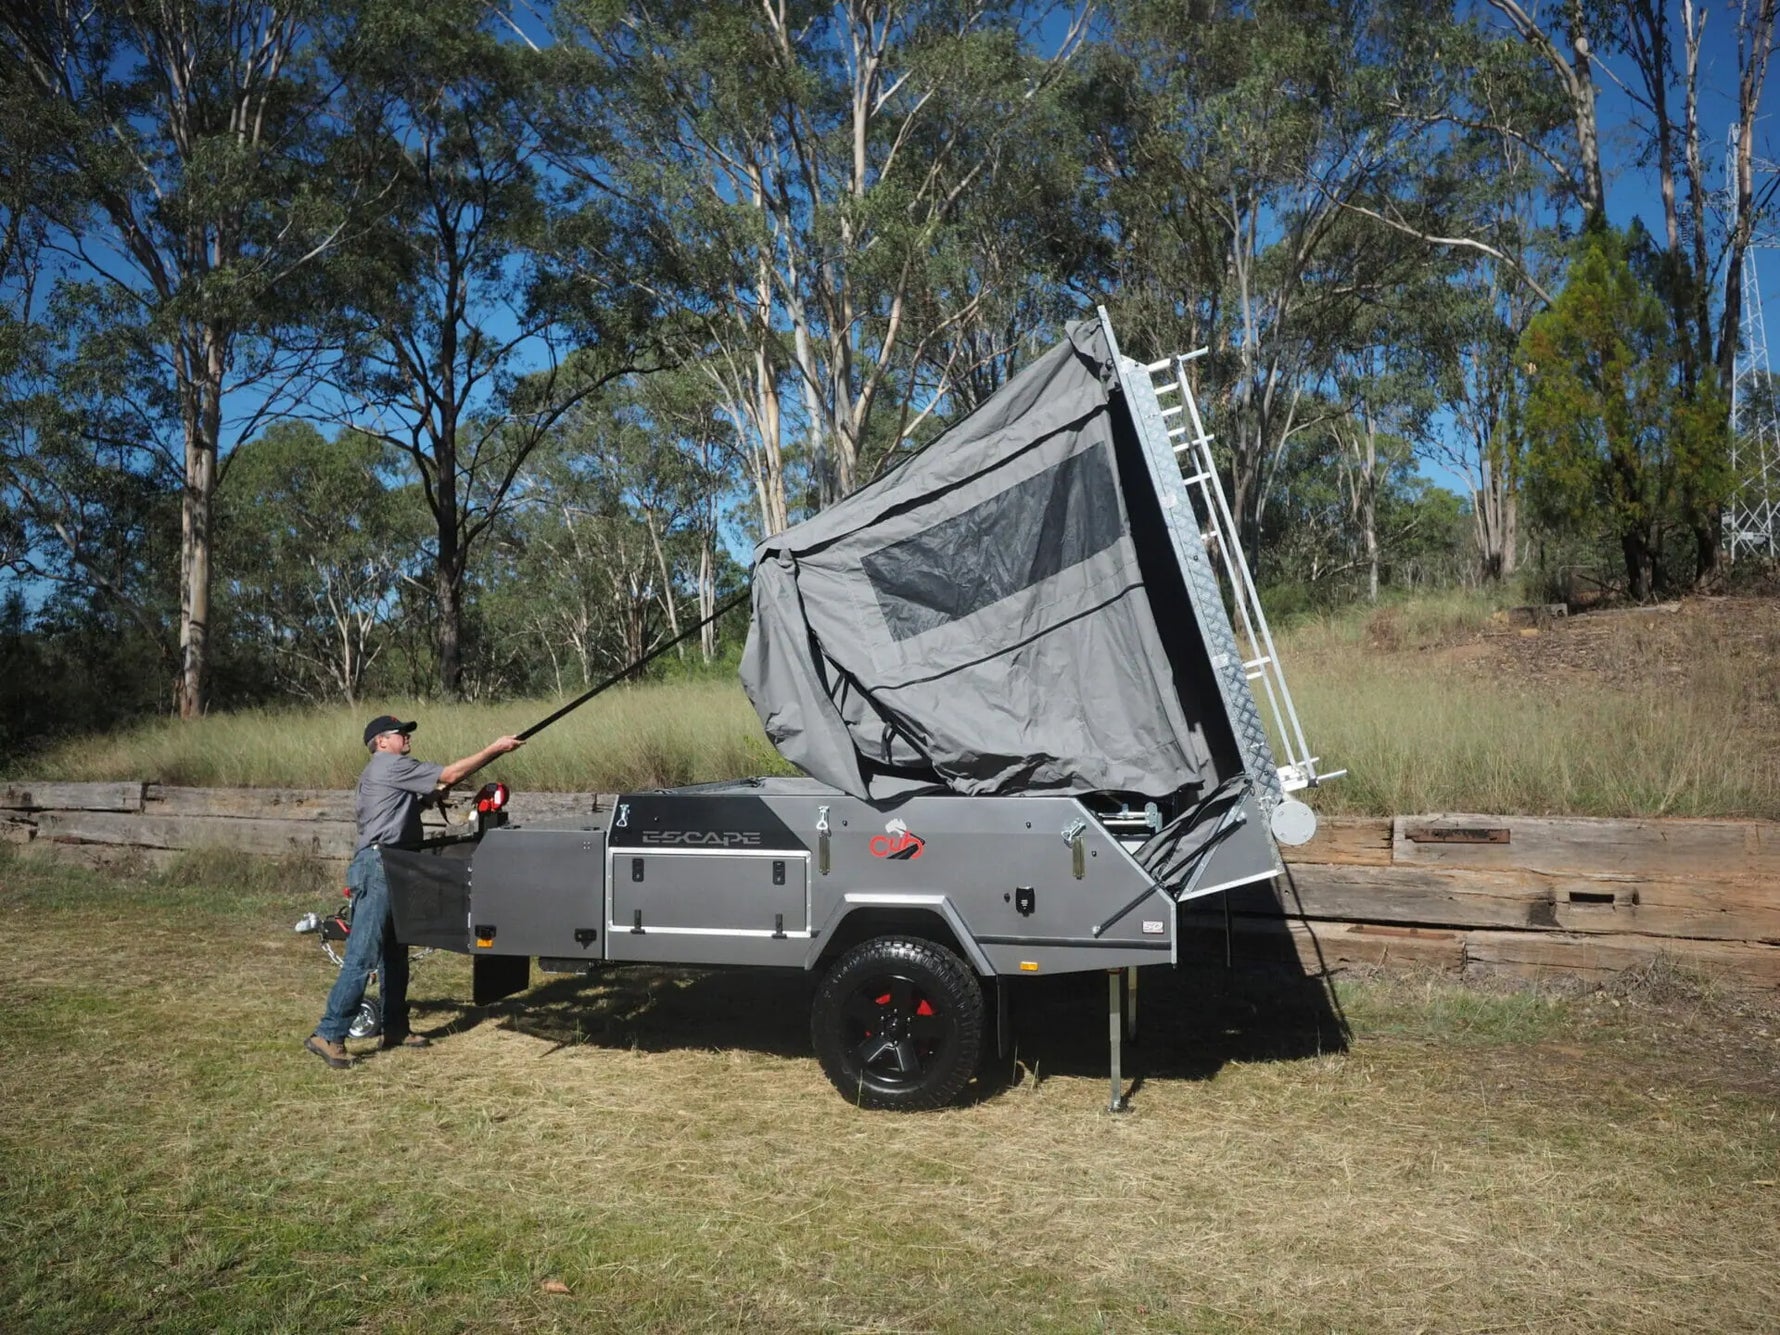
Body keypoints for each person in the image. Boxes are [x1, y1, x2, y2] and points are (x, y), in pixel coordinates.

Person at [305, 715, 525, 1069]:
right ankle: (328, 1034)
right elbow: (451, 775)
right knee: (363, 955)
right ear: (381, 742)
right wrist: (495, 750)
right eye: (399, 734)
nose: (406, 738)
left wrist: (428, 799)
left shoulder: (383, 774)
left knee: (395, 954)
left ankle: (395, 1027)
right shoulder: (391, 765)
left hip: (394, 864)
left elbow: (403, 805)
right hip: (379, 865)